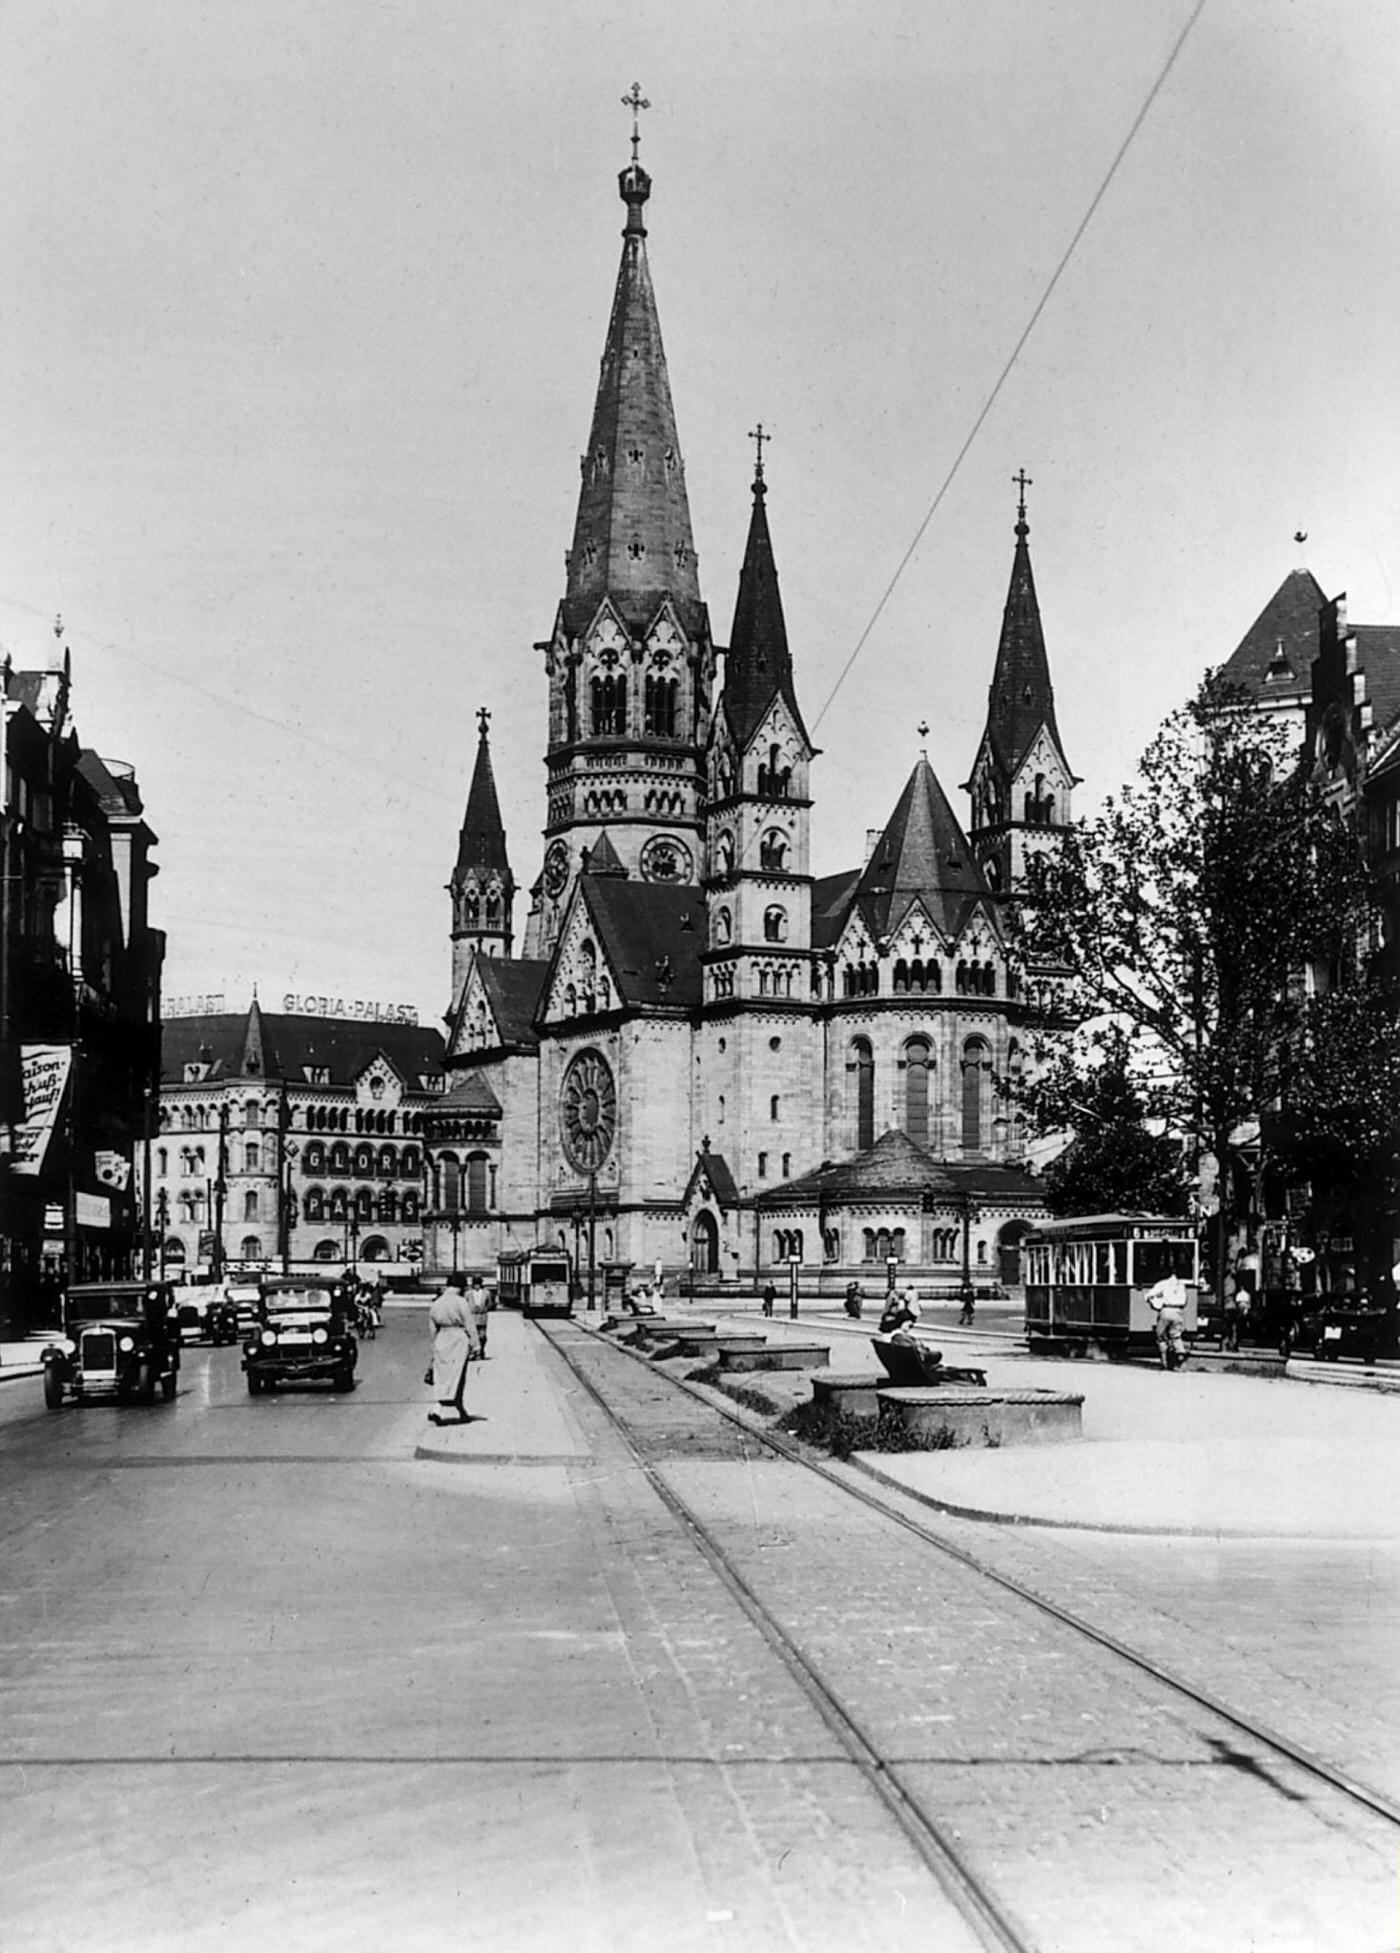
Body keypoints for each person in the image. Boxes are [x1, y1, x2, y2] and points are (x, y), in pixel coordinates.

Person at [428, 1284, 482, 1425]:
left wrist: (434, 1347)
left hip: (441, 1338)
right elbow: (470, 1324)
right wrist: (476, 1345)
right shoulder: (460, 1302)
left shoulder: (437, 1303)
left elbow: (432, 1328)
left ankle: (455, 1411)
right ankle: (439, 1409)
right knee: (457, 1378)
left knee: (442, 1377)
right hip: (457, 1340)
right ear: (461, 1287)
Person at [1147, 1271, 1190, 1370]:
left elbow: (1149, 1295)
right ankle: (1180, 1359)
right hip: (1178, 1311)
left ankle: (1164, 1361)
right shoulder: (1181, 1285)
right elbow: (1184, 1301)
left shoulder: (1163, 1283)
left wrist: (1155, 1303)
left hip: (1166, 1310)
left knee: (1160, 1336)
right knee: (1176, 1336)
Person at [469, 1273, 492, 1358]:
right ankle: (474, 1351)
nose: (477, 1286)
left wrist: (484, 1309)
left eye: (478, 1284)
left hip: (482, 1316)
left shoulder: (486, 1293)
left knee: (482, 1336)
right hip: (472, 1317)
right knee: (473, 1335)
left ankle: (481, 1350)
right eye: (475, 1284)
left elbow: (489, 1304)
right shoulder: (468, 1294)